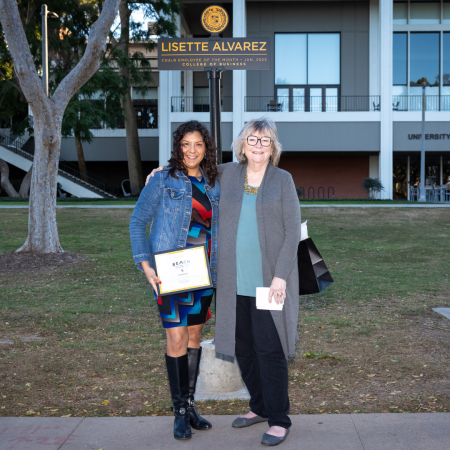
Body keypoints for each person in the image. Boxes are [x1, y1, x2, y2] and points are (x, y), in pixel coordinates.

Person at [146, 118, 301, 446]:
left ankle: (278, 418)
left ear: (273, 148)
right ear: (242, 145)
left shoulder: (282, 180)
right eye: (252, 141)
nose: (258, 147)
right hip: (230, 283)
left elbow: (292, 235)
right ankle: (258, 406)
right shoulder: (227, 174)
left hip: (268, 283)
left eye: (265, 142)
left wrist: (280, 278)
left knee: (269, 349)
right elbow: (192, 168)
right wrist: (160, 172)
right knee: (242, 348)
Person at [129, 120, 220, 440]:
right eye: (186, 144)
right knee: (176, 339)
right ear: (177, 147)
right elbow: (137, 221)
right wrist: (144, 264)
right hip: (170, 273)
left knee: (194, 337)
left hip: (204, 275)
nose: (192, 150)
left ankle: (191, 405)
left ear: (206, 148)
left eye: (198, 144)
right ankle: (179, 412)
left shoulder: (214, 183)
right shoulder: (162, 179)